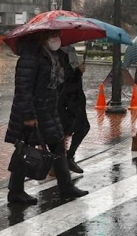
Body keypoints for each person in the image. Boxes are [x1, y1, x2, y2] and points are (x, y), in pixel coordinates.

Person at [5, 30, 88, 205]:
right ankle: (16, 192)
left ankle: (66, 187)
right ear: (41, 37)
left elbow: (57, 83)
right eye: (53, 35)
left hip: (49, 111)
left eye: (58, 35)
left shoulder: (52, 56)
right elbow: (23, 89)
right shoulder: (30, 57)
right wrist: (28, 116)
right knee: (24, 150)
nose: (57, 39)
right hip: (33, 112)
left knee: (58, 148)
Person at [56, 44, 91, 173]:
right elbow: (64, 83)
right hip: (65, 103)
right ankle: (59, 164)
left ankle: (68, 158)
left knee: (82, 128)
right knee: (62, 133)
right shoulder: (58, 56)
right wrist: (78, 72)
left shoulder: (69, 53)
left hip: (76, 102)